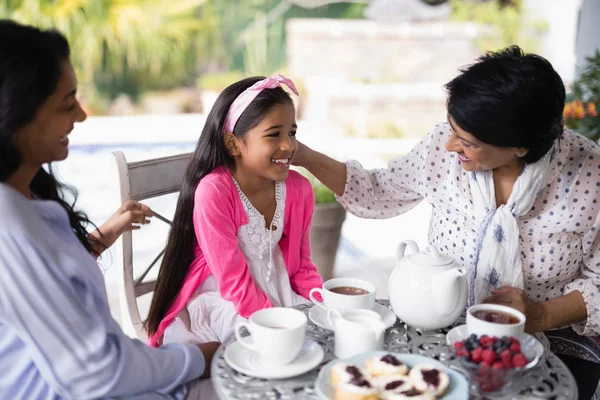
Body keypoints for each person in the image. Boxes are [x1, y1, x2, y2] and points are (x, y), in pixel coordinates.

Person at [293, 46, 600, 399]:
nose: (451, 145)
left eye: (467, 142)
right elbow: (376, 192)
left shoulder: (589, 174)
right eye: (453, 129)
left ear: (520, 147)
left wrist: (542, 316)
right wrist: (302, 154)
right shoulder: (443, 146)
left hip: (555, 340)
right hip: (446, 330)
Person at [0, 20, 218, 399]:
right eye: (67, 104)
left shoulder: (27, 194)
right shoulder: (8, 228)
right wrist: (196, 358)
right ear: (14, 116)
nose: (82, 116)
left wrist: (107, 231)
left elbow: (53, 278)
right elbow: (94, 373)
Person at [145, 75, 323, 349]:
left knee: (322, 333)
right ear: (233, 144)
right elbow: (233, 282)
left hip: (277, 287)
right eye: (274, 134)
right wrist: (273, 321)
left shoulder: (298, 190)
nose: (288, 145)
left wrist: (324, 302)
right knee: (259, 345)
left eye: (292, 132)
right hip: (227, 297)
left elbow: (301, 267)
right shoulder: (215, 191)